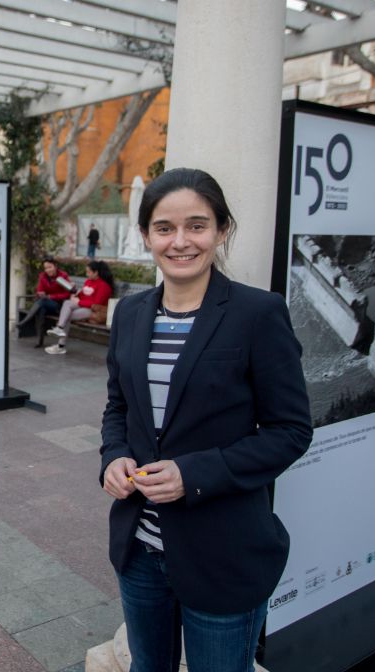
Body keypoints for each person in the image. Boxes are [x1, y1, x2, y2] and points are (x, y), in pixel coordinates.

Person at [99, 167, 312, 672]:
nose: (180, 242)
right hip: (140, 549)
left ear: (221, 231)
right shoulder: (129, 314)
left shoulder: (257, 313)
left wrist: (194, 474)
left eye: (197, 225)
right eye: (164, 228)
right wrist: (113, 456)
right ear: (146, 234)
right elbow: (118, 407)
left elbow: (291, 431)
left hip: (224, 553)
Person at [45, 259, 114, 355]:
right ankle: (60, 329)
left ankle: (60, 345)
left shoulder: (104, 286)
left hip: (94, 312)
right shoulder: (88, 282)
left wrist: (80, 302)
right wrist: (75, 294)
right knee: (67, 303)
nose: (87, 274)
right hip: (83, 306)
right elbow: (83, 295)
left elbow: (96, 304)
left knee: (67, 316)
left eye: (89, 272)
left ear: (96, 272)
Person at [16, 257, 72, 348]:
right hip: (46, 304)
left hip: (60, 306)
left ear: (56, 266)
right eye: (45, 268)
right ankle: (40, 341)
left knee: (42, 302)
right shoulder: (43, 276)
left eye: (50, 267)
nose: (47, 270)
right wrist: (40, 293)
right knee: (41, 309)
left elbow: (67, 294)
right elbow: (40, 289)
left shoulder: (63, 276)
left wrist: (51, 297)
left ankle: (24, 322)